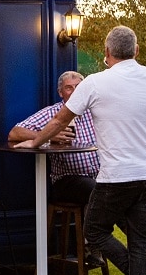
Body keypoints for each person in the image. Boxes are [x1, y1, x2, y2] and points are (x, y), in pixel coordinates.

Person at [15, 26, 146, 275]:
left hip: (118, 176)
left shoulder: (96, 83)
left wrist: (34, 143)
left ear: (106, 53)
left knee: (95, 232)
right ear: (136, 51)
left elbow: (60, 119)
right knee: (140, 243)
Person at [8, 71, 98, 208]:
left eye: (78, 87)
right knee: (100, 193)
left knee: (120, 192)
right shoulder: (52, 113)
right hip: (68, 180)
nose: (74, 92)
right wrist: (48, 135)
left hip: (101, 175)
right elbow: (14, 133)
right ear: (61, 93)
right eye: (69, 88)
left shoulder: (94, 111)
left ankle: (127, 229)